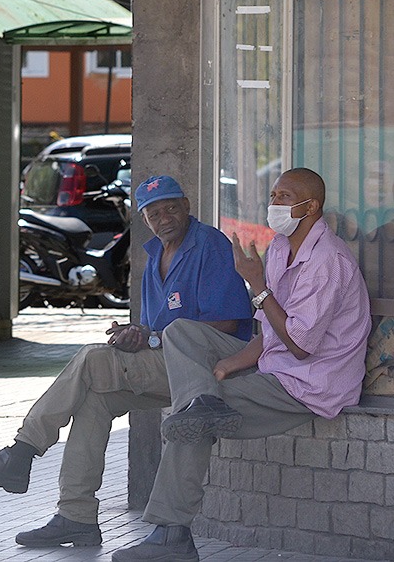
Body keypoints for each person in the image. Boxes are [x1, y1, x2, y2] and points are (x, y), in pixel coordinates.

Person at [0, 175, 254, 547]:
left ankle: (21, 453)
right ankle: (75, 516)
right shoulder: (155, 254)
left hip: (207, 369)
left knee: (93, 360)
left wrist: (153, 337)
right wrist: (136, 334)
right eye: (154, 213)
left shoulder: (209, 243)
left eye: (172, 208)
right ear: (142, 218)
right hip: (167, 365)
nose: (164, 218)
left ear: (187, 207)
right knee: (94, 399)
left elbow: (225, 320)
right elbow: (157, 330)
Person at [112, 168, 371, 562]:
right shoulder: (283, 248)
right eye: (273, 194)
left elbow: (300, 345)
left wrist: (258, 285)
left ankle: (172, 535)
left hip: (309, 384)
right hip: (275, 367)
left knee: (190, 423)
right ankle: (202, 402)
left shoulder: (328, 261)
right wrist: (227, 365)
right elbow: (269, 333)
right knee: (181, 330)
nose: (274, 203)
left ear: (311, 206)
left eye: (284, 197)